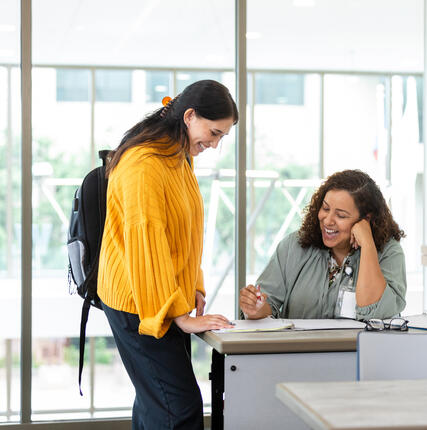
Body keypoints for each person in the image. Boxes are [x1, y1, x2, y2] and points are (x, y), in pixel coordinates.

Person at [97, 80, 237, 430]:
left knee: (157, 402)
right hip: (138, 302)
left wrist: (195, 286)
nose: (215, 144)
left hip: (163, 295)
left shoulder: (177, 157)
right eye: (214, 132)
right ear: (189, 116)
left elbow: (185, 230)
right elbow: (146, 242)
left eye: (223, 136)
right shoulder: (144, 163)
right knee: (178, 409)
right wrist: (177, 313)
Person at [240, 169, 407, 321]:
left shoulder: (389, 253)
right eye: (325, 209)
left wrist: (368, 244)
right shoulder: (293, 246)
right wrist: (255, 308)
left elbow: (374, 311)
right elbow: (267, 306)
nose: (327, 221)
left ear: (366, 219)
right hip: (297, 352)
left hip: (360, 354)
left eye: (341, 215)